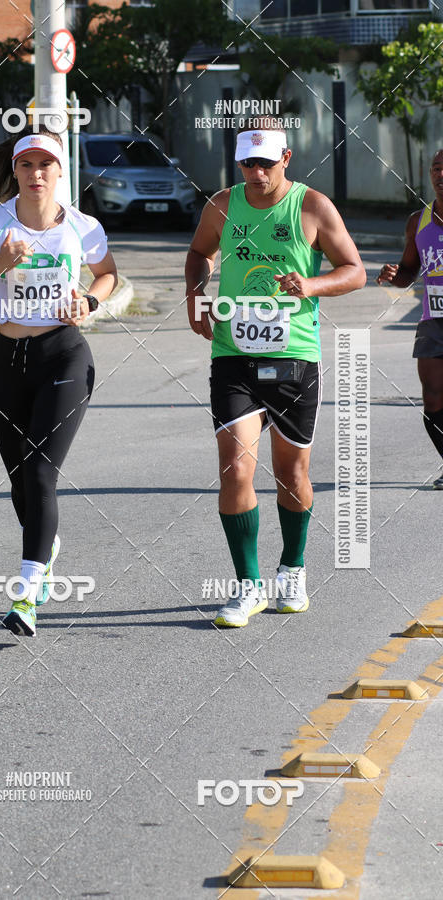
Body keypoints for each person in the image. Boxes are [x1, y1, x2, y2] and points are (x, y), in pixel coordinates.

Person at [185, 121, 366, 628]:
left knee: (292, 474)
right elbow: (199, 253)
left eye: (266, 163)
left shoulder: (311, 206)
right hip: (234, 356)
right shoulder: (222, 204)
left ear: (286, 158)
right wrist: (197, 298)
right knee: (237, 469)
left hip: (295, 359)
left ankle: (293, 569)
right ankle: (247, 587)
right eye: (248, 163)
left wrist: (311, 284)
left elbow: (354, 269)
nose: (257, 173)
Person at [0, 131, 118, 636]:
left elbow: (107, 274)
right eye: (28, 165)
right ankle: (45, 547)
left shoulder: (83, 227)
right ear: (16, 171)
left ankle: (25, 595)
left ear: (60, 172)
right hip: (8, 358)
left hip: (64, 354)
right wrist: (0, 264)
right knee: (21, 479)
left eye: (47, 164)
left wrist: (89, 302)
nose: (37, 173)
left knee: (42, 473)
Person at [377, 148, 443, 489]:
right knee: (432, 397)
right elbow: (408, 273)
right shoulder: (418, 221)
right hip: (434, 320)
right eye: (436, 168)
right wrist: (393, 275)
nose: (441, 175)